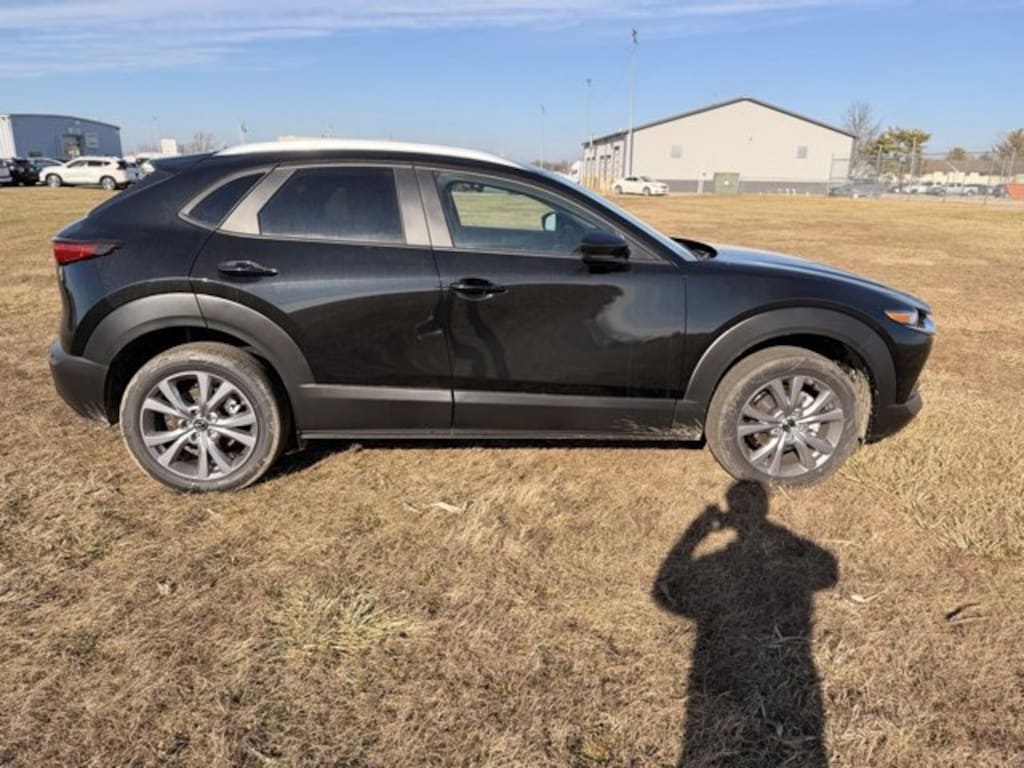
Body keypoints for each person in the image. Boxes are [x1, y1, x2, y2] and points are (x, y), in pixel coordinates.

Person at [653, 482, 839, 767]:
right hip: (791, 667)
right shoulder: (753, 554)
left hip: (722, 673)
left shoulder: (715, 562)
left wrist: (695, 534)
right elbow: (827, 571)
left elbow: (666, 594)